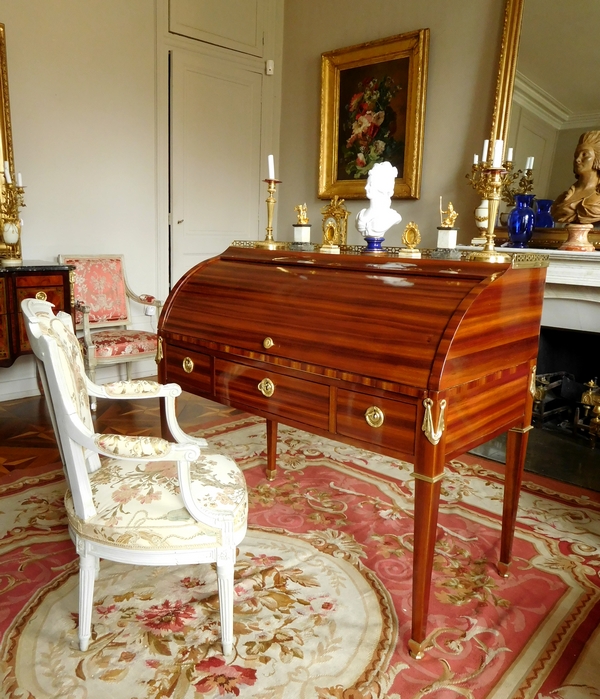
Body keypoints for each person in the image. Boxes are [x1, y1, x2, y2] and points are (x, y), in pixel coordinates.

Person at [551, 131, 600, 225]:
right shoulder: (562, 199)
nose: (577, 159)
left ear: (597, 158)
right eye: (576, 155)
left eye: (584, 155)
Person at [355, 161, 402, 238]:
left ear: (382, 187)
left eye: (370, 184)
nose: (366, 187)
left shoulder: (391, 216)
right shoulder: (360, 215)